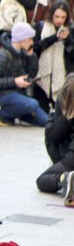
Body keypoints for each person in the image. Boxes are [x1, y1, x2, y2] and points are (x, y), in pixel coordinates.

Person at [0, 22, 47, 126]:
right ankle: (2, 112)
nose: (32, 42)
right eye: (30, 39)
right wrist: (15, 81)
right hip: (2, 95)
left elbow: (32, 74)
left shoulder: (21, 53)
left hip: (18, 94)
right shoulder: (3, 55)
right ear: (22, 39)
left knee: (45, 120)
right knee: (32, 104)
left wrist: (31, 56)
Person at [37, 76, 74, 204]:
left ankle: (65, 178)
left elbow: (52, 136)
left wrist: (52, 115)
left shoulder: (68, 114)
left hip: (70, 159)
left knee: (42, 180)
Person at [33, 0, 74, 111]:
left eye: (63, 17)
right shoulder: (41, 27)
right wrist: (54, 38)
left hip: (62, 75)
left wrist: (68, 40)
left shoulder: (71, 30)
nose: (59, 20)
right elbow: (34, 48)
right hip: (42, 74)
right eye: (57, 16)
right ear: (51, 15)